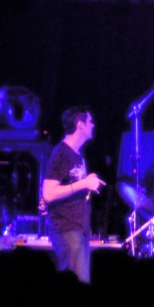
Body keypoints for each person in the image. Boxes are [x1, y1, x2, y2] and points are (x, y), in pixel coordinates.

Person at [42, 106, 105, 282]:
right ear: (80, 125)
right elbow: (48, 193)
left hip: (79, 229)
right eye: (90, 121)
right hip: (67, 229)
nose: (93, 125)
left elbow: (70, 187)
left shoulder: (78, 154)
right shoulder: (61, 153)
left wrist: (87, 184)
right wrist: (84, 183)